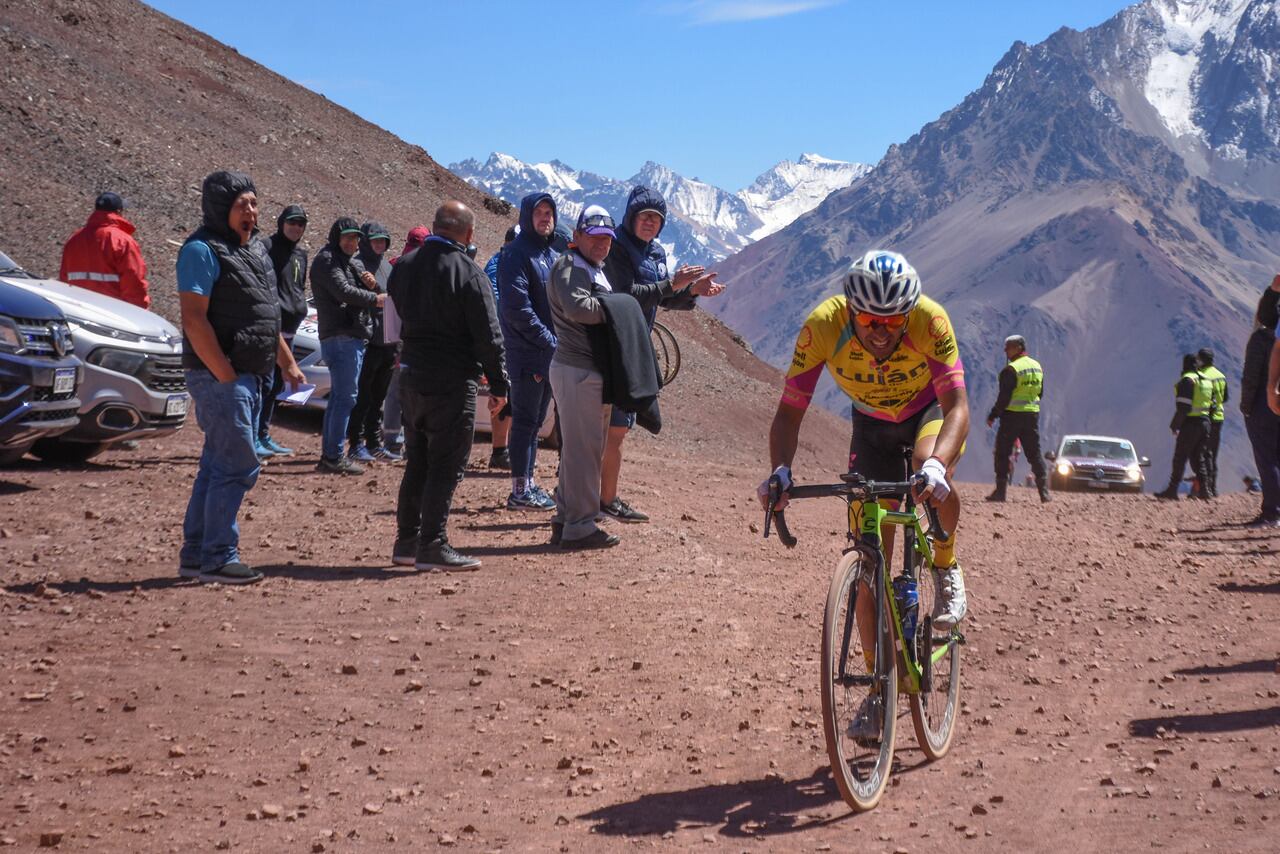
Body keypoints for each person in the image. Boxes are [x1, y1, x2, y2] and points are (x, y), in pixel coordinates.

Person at [760, 249, 969, 740]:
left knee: (925, 468)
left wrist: (938, 464)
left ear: (908, 312)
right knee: (867, 560)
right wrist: (780, 472)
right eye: (870, 320)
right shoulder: (823, 327)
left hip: (926, 415)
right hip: (869, 426)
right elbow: (789, 411)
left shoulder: (929, 320)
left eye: (892, 320)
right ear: (851, 312)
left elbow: (957, 403)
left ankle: (945, 563)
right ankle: (881, 688)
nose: (880, 330)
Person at [176, 170, 305, 585]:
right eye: (240, 205)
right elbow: (195, 321)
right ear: (219, 209)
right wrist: (228, 378)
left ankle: (197, 554)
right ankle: (218, 556)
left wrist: (286, 361)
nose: (250, 211)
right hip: (221, 377)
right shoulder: (201, 250)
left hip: (251, 374)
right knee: (237, 464)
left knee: (216, 465)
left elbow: (266, 316)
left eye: (253, 202)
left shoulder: (256, 253)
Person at [388, 201, 508, 571]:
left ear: (436, 226)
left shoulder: (403, 267)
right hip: (452, 381)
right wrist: (500, 384)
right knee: (446, 464)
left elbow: (393, 322)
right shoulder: (470, 274)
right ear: (469, 234)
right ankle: (433, 545)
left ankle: (406, 542)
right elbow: (488, 337)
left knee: (417, 461)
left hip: (411, 375)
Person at [600, 186, 723, 522]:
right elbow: (624, 294)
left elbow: (660, 299)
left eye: (656, 218)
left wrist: (690, 292)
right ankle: (602, 499)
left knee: (619, 426)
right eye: (645, 216)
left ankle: (600, 495)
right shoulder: (617, 248)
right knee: (612, 427)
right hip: (614, 343)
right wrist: (671, 285)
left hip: (636, 344)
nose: (650, 223)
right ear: (631, 217)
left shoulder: (654, 253)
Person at [498, 193, 560, 511]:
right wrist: (551, 341)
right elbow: (516, 308)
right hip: (527, 354)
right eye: (539, 213)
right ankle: (520, 490)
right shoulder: (516, 254)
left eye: (549, 212)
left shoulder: (549, 253)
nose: (545, 218)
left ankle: (530, 484)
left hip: (549, 354)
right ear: (526, 216)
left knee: (535, 422)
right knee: (524, 421)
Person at [312, 217, 383, 474]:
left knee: (341, 399)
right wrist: (375, 298)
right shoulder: (328, 261)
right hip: (341, 336)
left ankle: (332, 453)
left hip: (347, 336)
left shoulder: (345, 262)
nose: (352, 243)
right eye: (348, 238)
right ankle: (333, 455)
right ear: (336, 238)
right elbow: (343, 292)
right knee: (345, 398)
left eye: (355, 238)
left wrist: (372, 287)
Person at [256, 204, 310, 458]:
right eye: (292, 222)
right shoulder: (266, 247)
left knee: (276, 384)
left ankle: (263, 435)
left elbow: (297, 287)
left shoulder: (301, 255)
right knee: (263, 383)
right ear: (281, 222)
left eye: (300, 224)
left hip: (290, 328)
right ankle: (252, 436)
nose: (296, 228)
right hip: (270, 329)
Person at [348, 221, 401, 462]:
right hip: (367, 338)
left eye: (383, 240)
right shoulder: (357, 265)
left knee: (378, 395)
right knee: (363, 395)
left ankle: (373, 441)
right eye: (375, 240)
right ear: (366, 241)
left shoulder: (387, 268)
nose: (380, 244)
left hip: (389, 340)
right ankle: (356, 443)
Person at [59, 191, 152, 309]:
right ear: (119, 211)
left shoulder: (74, 240)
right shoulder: (122, 241)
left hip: (79, 311)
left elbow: (64, 279)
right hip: (112, 314)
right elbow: (133, 283)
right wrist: (140, 312)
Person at [985, 334, 1049, 502]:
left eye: (1009, 347)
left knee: (1002, 453)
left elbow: (1004, 398)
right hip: (1031, 416)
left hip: (1012, 416)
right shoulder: (1037, 367)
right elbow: (1040, 393)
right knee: (1034, 453)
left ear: (1019, 348)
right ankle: (1044, 493)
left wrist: (993, 415)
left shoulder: (1011, 369)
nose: (1005, 350)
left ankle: (1000, 492)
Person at [1242, 278, 1280, 526]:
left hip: (1263, 406)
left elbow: (1252, 376)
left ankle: (1271, 512)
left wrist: (1246, 407)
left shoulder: (1261, 340)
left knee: (1267, 459)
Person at [483, 225, 519, 470]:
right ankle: (500, 449)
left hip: (515, 340)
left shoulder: (515, 264)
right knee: (504, 394)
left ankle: (505, 449)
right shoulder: (498, 265)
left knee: (514, 397)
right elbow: (495, 301)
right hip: (505, 341)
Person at [1154, 354, 1213, 500]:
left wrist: (1175, 425)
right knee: (1198, 457)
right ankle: (1205, 490)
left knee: (1180, 457)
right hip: (1205, 423)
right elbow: (1212, 404)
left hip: (1191, 424)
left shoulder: (1188, 381)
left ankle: (1172, 490)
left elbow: (1183, 408)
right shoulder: (1205, 381)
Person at [1196, 347, 1228, 498]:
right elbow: (1225, 397)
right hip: (1219, 419)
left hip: (1206, 418)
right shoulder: (1221, 376)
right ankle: (1213, 488)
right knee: (1213, 454)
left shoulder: (1202, 376)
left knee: (1204, 453)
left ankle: (1206, 487)